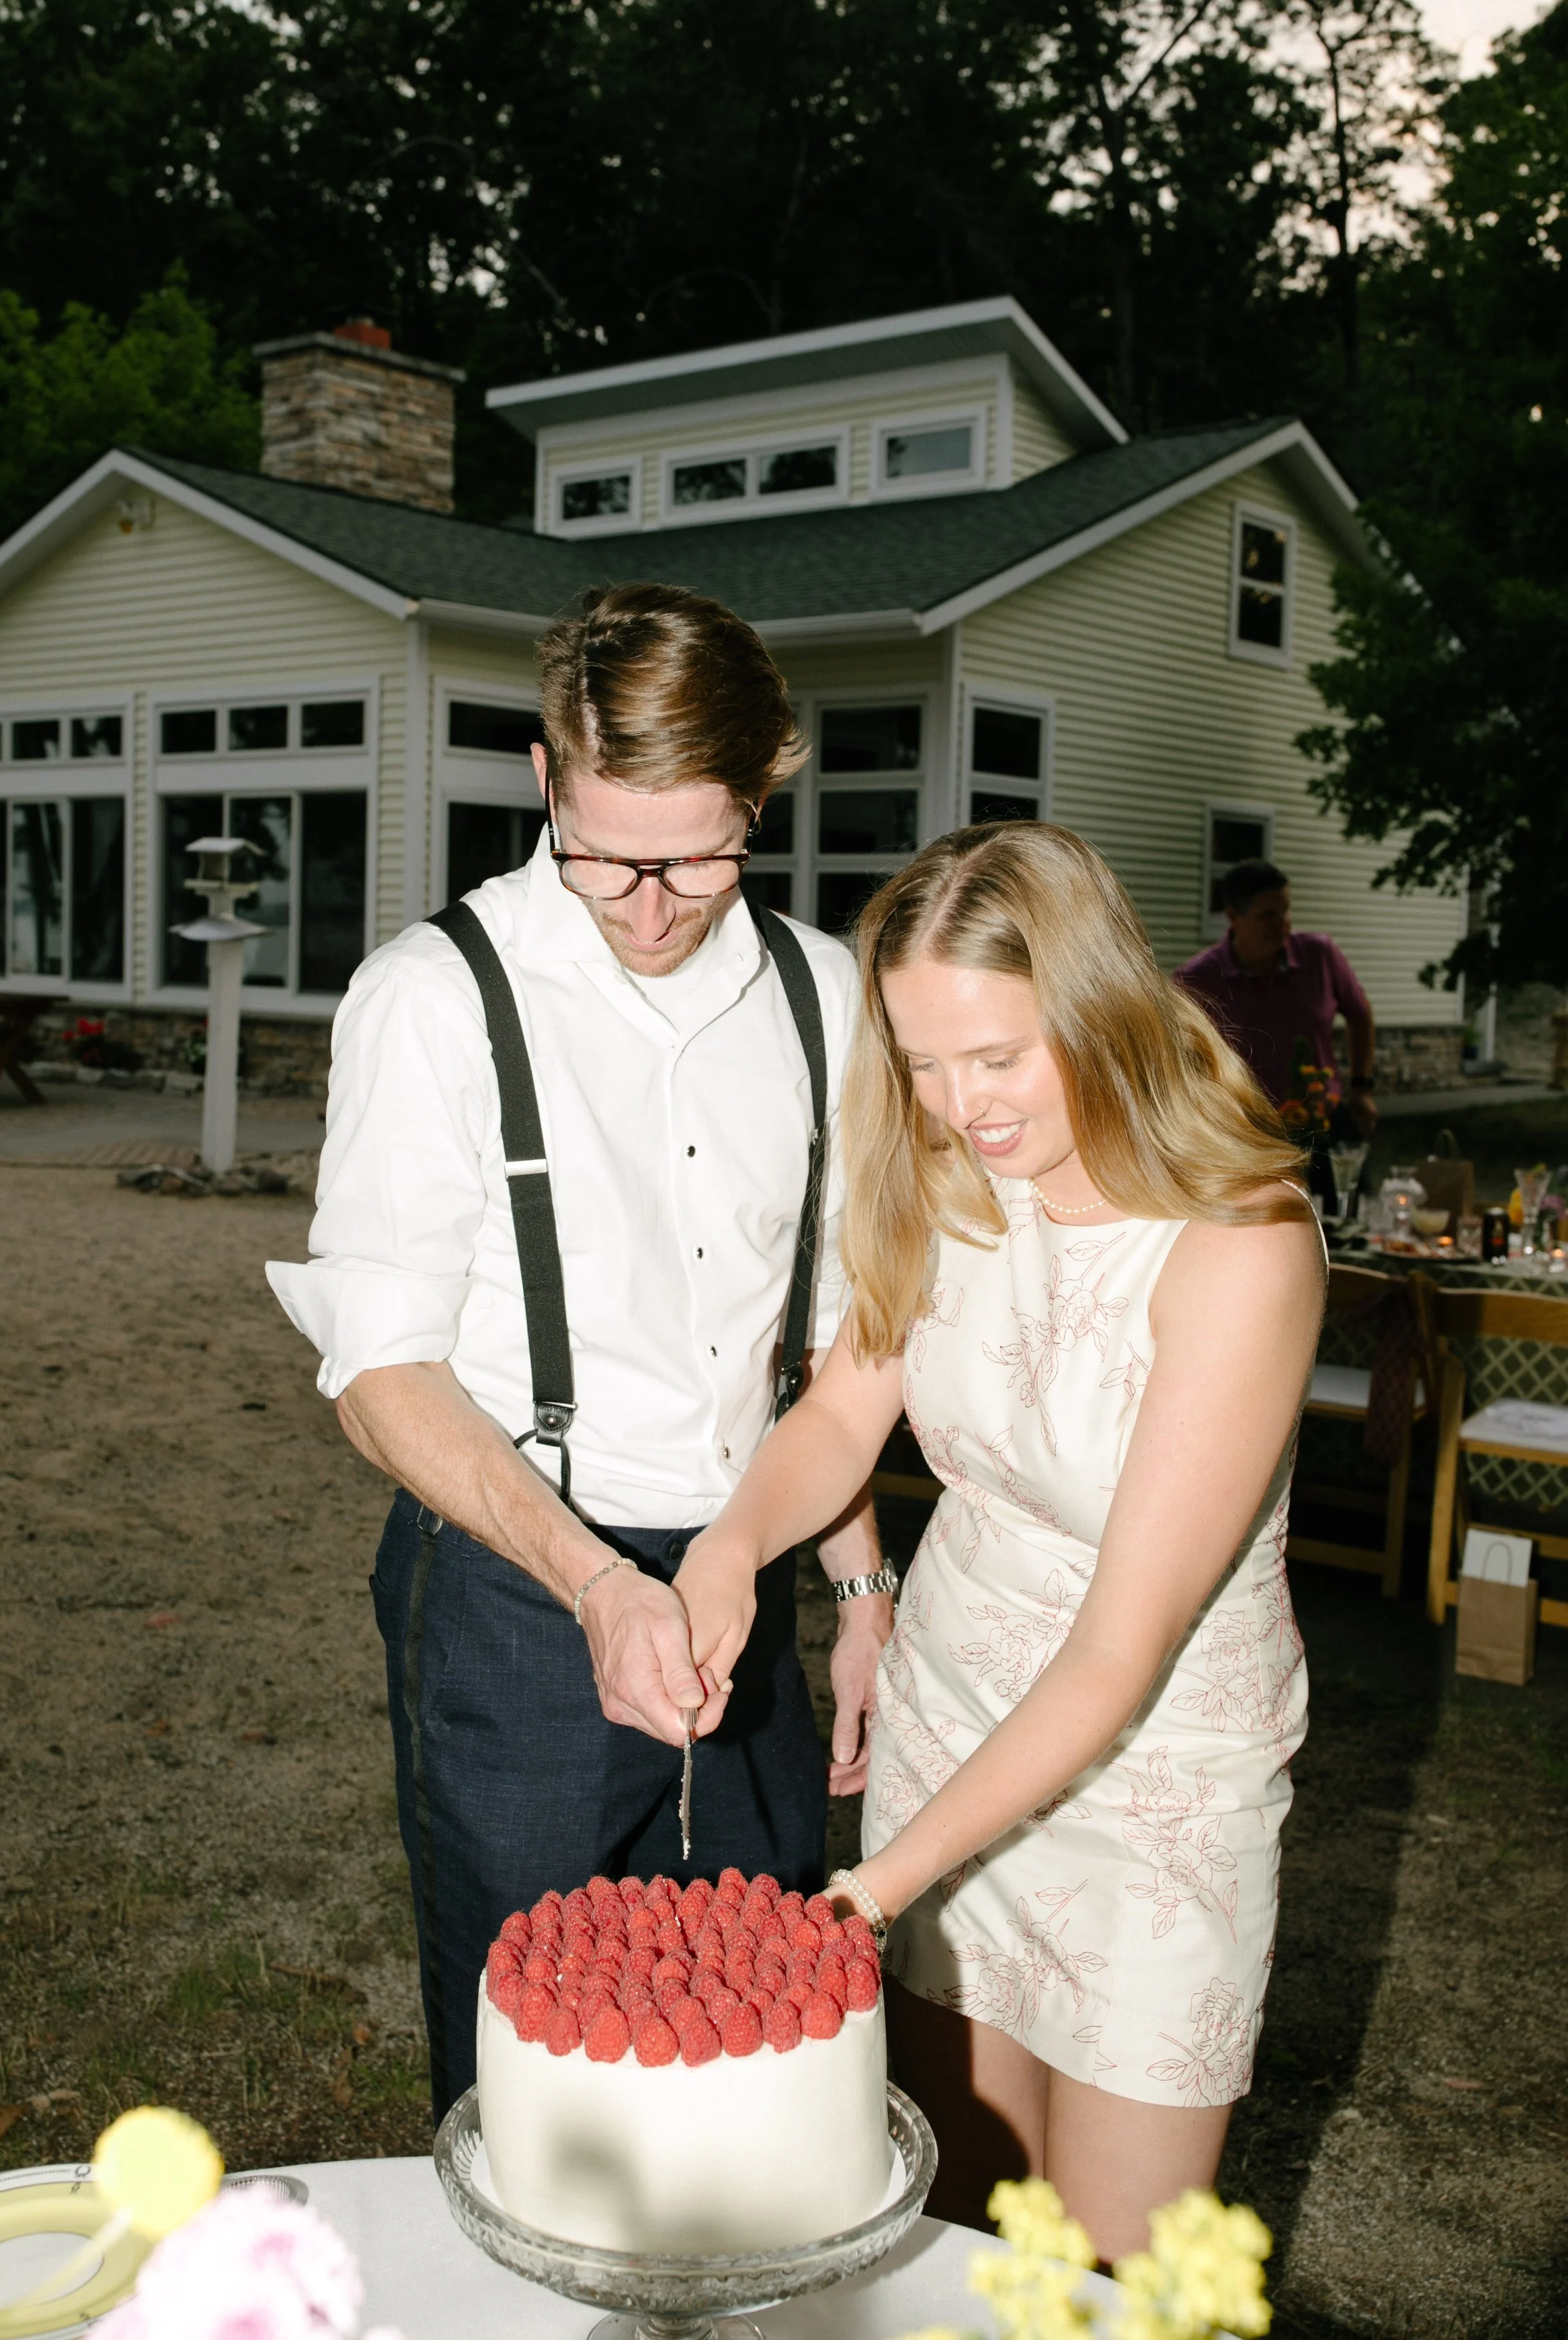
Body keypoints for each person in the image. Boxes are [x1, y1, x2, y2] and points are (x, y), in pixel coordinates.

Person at [268, 582, 896, 2116]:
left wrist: (863, 1582)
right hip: (512, 1580)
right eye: (605, 849)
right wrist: (597, 1579)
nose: (650, 900)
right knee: (534, 2056)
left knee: (760, 2031)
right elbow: (383, 1369)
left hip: (754, 1563)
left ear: (767, 787)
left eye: (700, 850)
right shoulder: (432, 999)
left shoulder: (827, 996)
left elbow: (822, 1335)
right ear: (547, 776)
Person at [674, 824, 1324, 2261]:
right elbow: (841, 1414)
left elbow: (1117, 1652)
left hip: (1149, 1785)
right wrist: (731, 1550)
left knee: (1108, 2273)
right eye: (918, 1062)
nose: (956, 1106)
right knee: (953, 2230)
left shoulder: (1238, 1242)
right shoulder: (948, 1175)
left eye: (996, 1058)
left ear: (1096, 1008)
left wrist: (870, 1891)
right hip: (948, 1723)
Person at [1174, 860, 1378, 1163]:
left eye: (1286, 910)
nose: (1283, 923)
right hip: (1245, 1136)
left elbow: (1360, 1015)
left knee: (1348, 1206)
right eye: (1268, 915)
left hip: (1325, 1125)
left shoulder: (1319, 956)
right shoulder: (1196, 980)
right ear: (1233, 917)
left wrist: (1361, 1087)